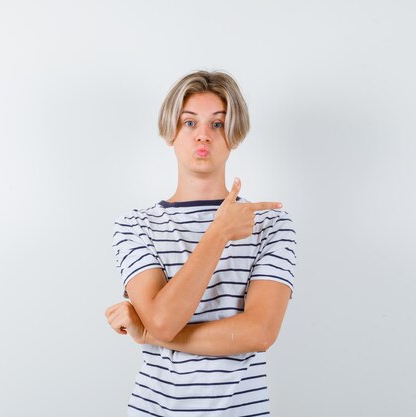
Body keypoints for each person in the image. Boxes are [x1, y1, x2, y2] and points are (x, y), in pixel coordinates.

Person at [104, 70, 297, 417]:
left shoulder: (270, 224)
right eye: (189, 123)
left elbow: (260, 332)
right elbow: (164, 321)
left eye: (218, 124)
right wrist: (218, 233)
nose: (203, 135)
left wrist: (148, 335)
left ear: (234, 134)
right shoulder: (135, 226)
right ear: (171, 133)